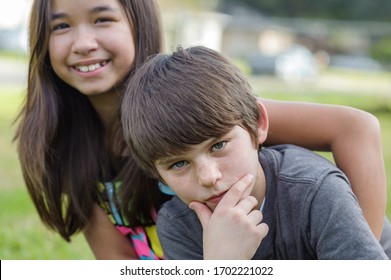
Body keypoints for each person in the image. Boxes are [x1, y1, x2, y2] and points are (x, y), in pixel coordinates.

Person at [15, 0, 387, 260]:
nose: (83, 43)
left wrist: (352, 257)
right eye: (60, 25)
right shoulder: (67, 149)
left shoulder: (200, 109)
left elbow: (355, 127)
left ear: (138, 24)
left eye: (102, 19)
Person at [122, 45, 390, 260]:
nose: (208, 177)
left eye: (218, 145)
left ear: (258, 125)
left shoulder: (316, 192)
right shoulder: (178, 224)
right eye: (179, 164)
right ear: (158, 174)